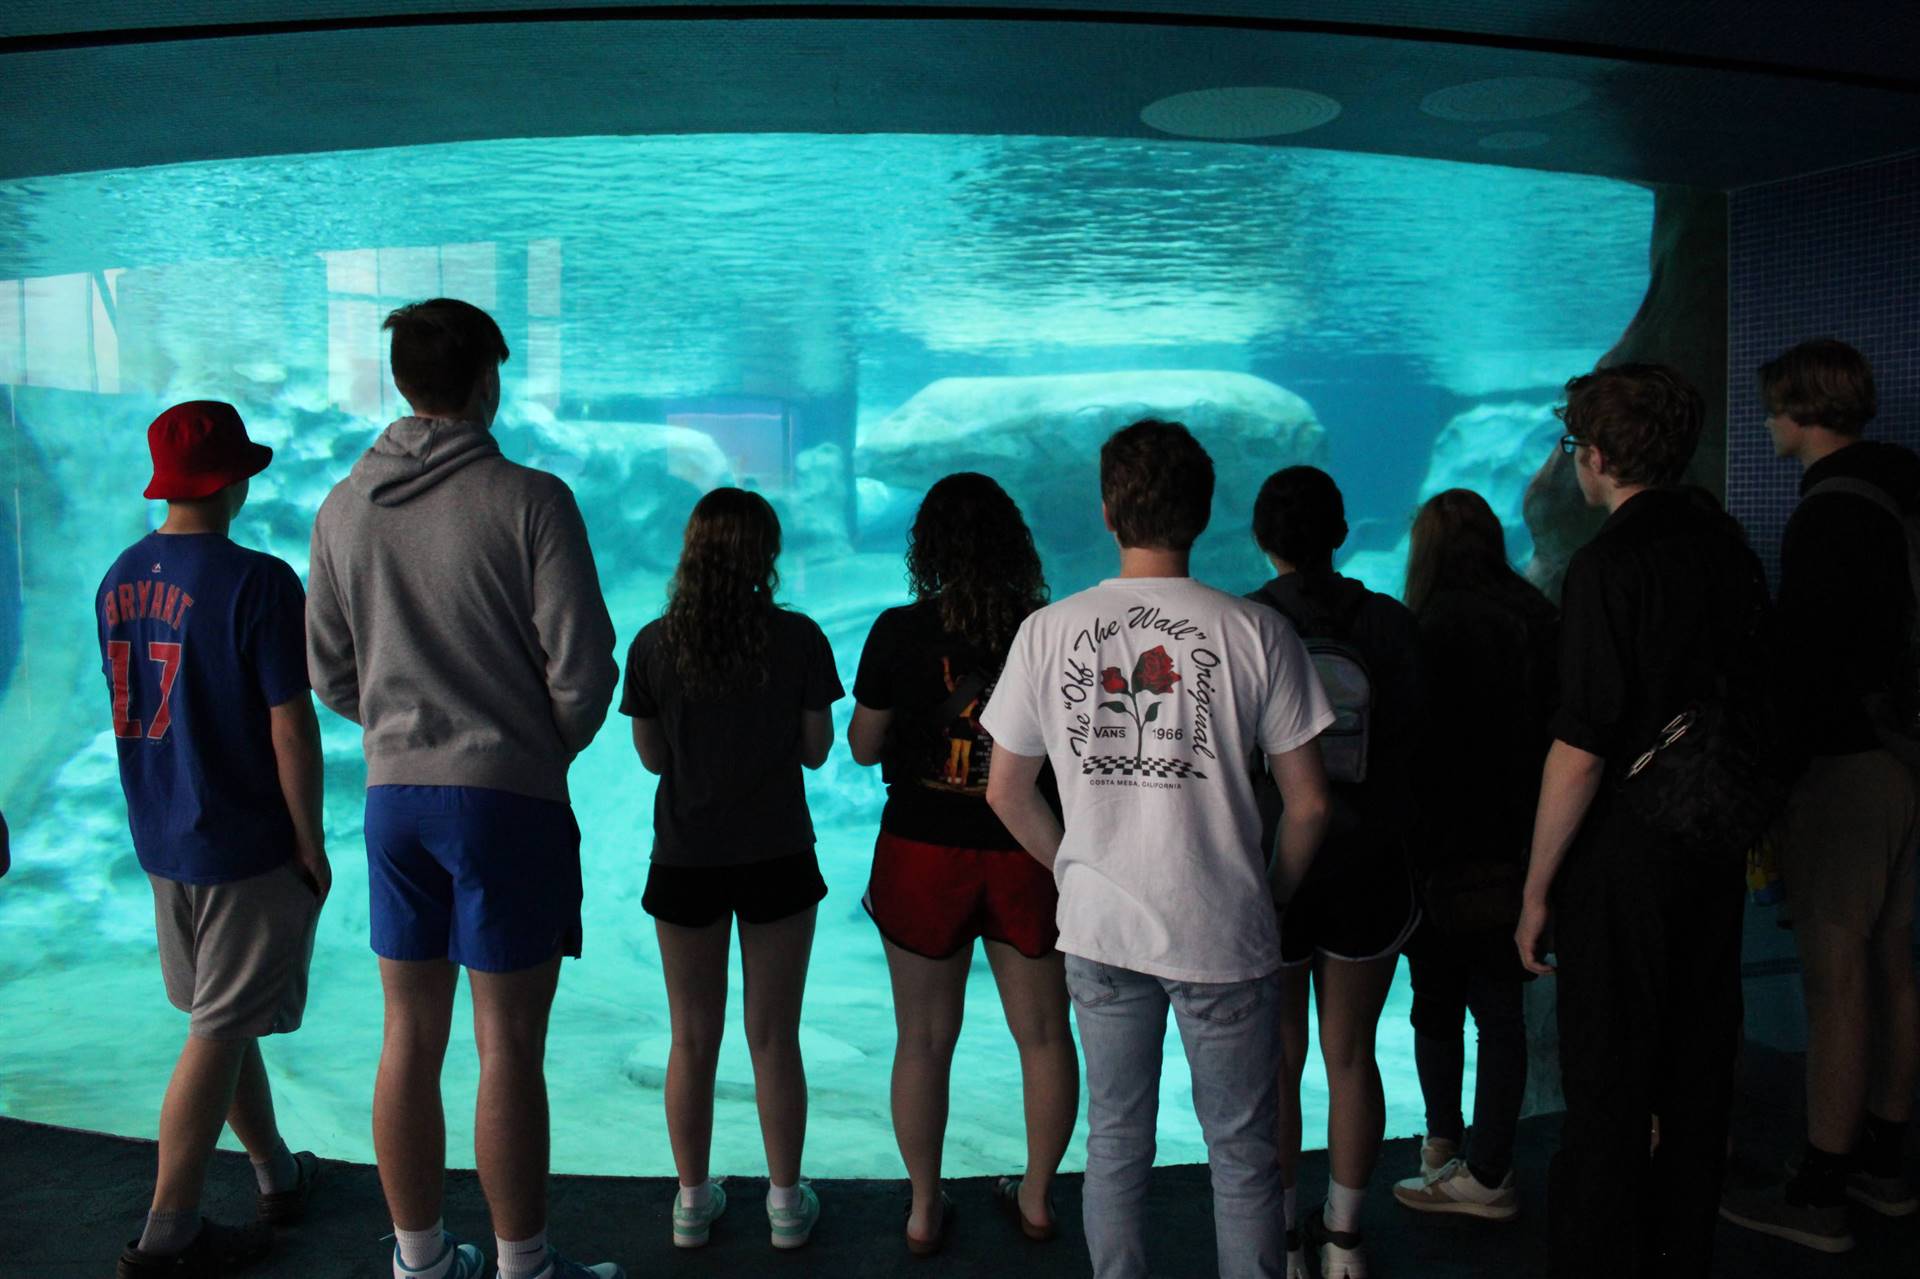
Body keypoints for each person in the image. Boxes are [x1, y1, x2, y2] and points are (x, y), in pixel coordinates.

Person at [307, 299, 621, 1279]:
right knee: (507, 1043)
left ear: (402, 380)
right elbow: (584, 668)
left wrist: (405, 734)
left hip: (395, 800)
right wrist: (527, 748)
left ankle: (419, 1259)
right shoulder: (530, 498)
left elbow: (328, 669)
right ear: (488, 380)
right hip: (505, 800)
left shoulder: (342, 507)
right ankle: (523, 1264)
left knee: (407, 1029)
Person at [983, 419, 1335, 1279]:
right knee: (1244, 1154)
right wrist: (1272, 891)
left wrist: (1076, 864)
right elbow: (1311, 803)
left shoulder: (1047, 631)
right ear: (1205, 514)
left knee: (1115, 1140)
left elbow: (1003, 789)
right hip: (1224, 925)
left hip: (1100, 926)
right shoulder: (1256, 631)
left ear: (1107, 511)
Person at [1514, 364, 1770, 1278]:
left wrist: (1537, 887)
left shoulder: (1608, 564)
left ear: (1600, 455)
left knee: (1611, 1086)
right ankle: (1678, 1254)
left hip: (1626, 857)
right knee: (1698, 1071)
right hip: (1712, 838)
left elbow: (1580, 747)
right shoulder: (1726, 545)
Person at [102, 401, 327, 1279]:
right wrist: (309, 841)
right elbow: (291, 729)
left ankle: (276, 1172)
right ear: (233, 480)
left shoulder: (116, 578)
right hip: (242, 843)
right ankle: (170, 1229)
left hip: (164, 838)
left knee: (219, 1022)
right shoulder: (260, 581)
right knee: (216, 1031)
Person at [1719, 339, 1920, 1252]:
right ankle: (1886, 1162)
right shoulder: (1904, 486)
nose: (1765, 423)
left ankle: (1819, 1190)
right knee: (1893, 963)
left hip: (1848, 765)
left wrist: (1771, 776)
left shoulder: (1827, 513)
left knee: (1834, 980)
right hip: (1910, 758)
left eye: (1771, 407)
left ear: (1801, 409)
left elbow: (1811, 665)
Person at [848, 472, 1078, 1254]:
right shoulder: (1051, 628)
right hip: (1029, 847)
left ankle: (920, 1208)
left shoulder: (897, 630)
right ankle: (1040, 1199)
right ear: (1015, 542)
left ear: (929, 548)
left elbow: (862, 745)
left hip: (920, 845)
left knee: (922, 1037)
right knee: (1045, 1033)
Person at [620, 487, 840, 1252]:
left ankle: (690, 1201)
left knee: (692, 1035)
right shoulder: (801, 638)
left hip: (686, 856)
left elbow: (653, 758)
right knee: (774, 1035)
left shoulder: (653, 644)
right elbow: (817, 750)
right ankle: (785, 1204)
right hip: (778, 851)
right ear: (766, 556)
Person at [1246, 465, 1424, 1279]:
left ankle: (1281, 1237)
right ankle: (1345, 1238)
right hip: (1368, 863)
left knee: (1277, 1056)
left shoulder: (1245, 624)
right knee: (1350, 1052)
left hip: (1275, 860)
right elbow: (1418, 746)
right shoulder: (1388, 622)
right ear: (1342, 532)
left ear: (1261, 538)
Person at [1391, 488, 1556, 1223]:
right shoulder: (1538, 618)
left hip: (1437, 851)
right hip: (1520, 847)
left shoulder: (1420, 627)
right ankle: (1487, 1162)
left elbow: (1410, 749)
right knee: (1501, 1011)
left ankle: (1446, 1149)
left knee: (1436, 1005)